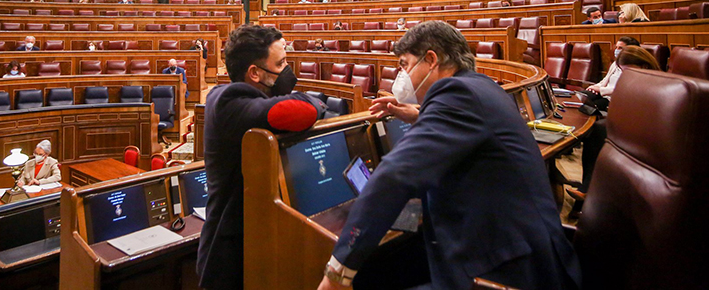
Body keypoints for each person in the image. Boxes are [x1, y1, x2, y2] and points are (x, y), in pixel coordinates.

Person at [318, 21, 581, 290]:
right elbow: (468, 124)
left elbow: (395, 174)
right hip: (516, 245)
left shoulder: (457, 94)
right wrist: (414, 113)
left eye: (404, 64)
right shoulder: (481, 86)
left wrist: (338, 271)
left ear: (431, 60)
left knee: (374, 274)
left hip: (506, 270)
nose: (402, 75)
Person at [198, 25, 325, 290]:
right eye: (280, 64)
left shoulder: (255, 97)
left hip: (261, 239)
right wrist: (310, 101)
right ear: (254, 73)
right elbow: (296, 112)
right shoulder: (227, 99)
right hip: (229, 250)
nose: (287, 71)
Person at [566, 37, 645, 208]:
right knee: (595, 128)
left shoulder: (649, 77)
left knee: (598, 129)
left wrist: (602, 90)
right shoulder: (619, 64)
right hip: (621, 109)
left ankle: (586, 194)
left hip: (636, 119)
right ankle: (586, 190)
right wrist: (598, 87)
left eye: (620, 48)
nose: (617, 51)